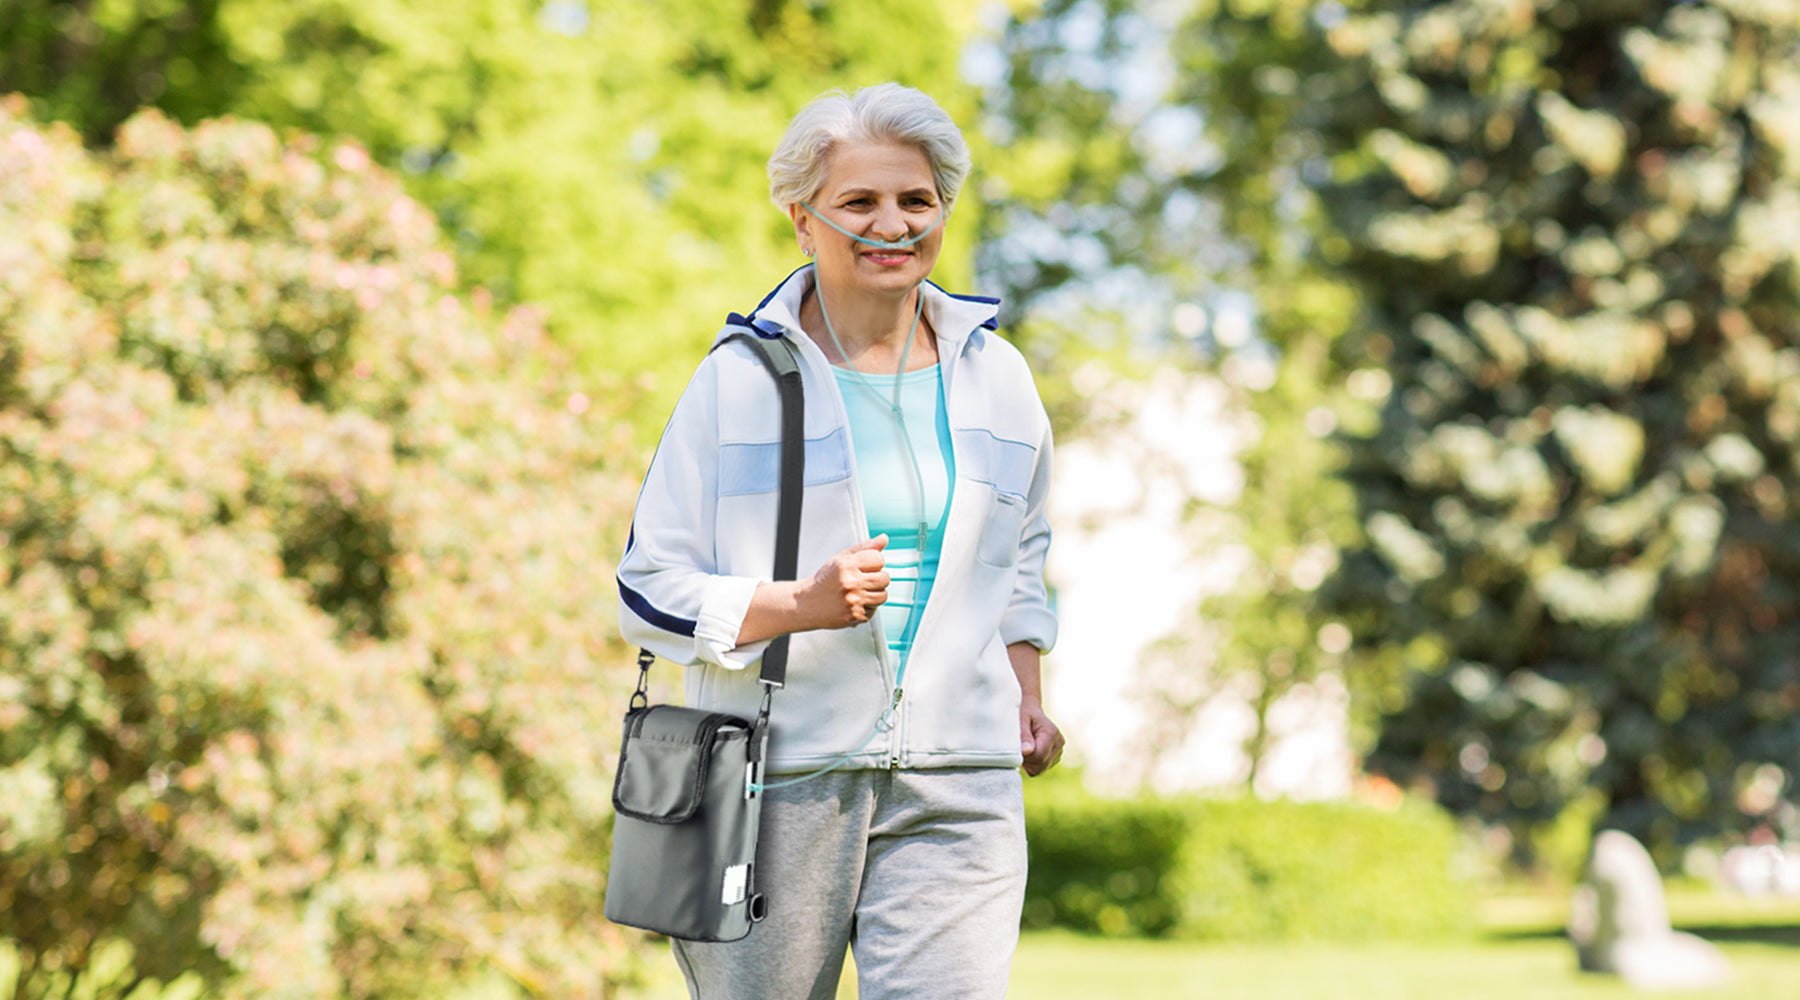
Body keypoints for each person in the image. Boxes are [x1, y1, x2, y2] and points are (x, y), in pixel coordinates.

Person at [616, 82, 1062, 1000]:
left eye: (916, 199)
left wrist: (1026, 691)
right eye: (859, 201)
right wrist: (798, 606)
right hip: (775, 778)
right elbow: (647, 585)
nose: (892, 224)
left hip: (960, 776)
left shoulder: (999, 376)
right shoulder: (739, 381)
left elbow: (1022, 552)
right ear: (803, 221)